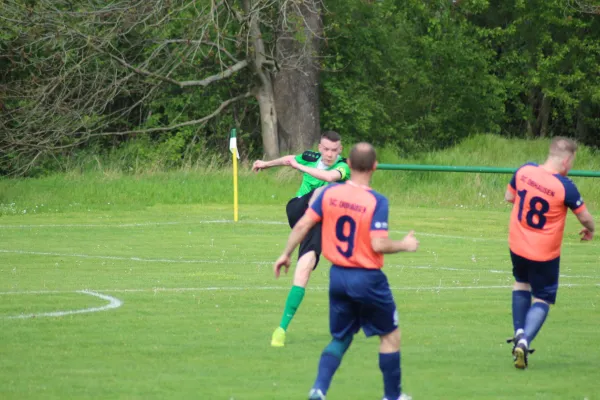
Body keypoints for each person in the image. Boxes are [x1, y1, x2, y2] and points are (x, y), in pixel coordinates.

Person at [273, 142, 418, 400]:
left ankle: (318, 389)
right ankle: (392, 396)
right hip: (368, 279)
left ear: (348, 165)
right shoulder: (377, 201)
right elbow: (378, 244)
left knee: (340, 338)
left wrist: (285, 254)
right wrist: (405, 245)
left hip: (338, 277)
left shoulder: (329, 195)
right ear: (374, 167)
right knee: (390, 336)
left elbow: (304, 223)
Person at [252, 130, 351, 347]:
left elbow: (329, 177)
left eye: (334, 150)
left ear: (340, 150)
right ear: (319, 148)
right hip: (298, 209)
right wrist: (264, 163)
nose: (329, 154)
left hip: (318, 222)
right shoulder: (310, 158)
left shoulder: (343, 166)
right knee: (321, 193)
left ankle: (281, 329)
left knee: (305, 267)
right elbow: (288, 159)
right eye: (326, 149)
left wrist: (298, 167)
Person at [505, 136, 595, 369]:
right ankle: (524, 341)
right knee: (543, 297)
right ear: (566, 160)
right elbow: (584, 217)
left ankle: (519, 332)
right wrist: (590, 229)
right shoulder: (565, 187)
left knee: (521, 283)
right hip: (544, 253)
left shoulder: (524, 170)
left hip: (517, 245)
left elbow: (509, 197)